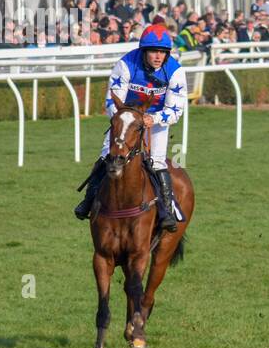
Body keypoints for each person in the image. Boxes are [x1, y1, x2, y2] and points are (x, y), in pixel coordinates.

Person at [74, 24, 187, 231]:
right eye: (154, 51)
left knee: (158, 162)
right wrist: (129, 119)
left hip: (156, 122)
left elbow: (176, 110)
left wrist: (154, 118)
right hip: (126, 120)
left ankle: (166, 211)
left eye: (162, 52)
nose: (158, 56)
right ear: (144, 51)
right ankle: (89, 200)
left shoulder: (175, 71)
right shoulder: (125, 65)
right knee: (105, 156)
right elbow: (111, 101)